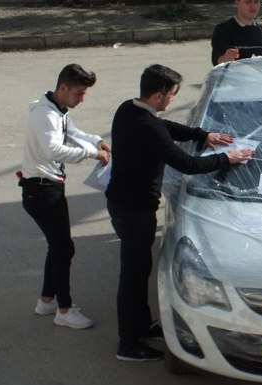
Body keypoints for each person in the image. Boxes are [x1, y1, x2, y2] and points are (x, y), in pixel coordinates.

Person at [106, 64, 254, 361]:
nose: (172, 99)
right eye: (172, 94)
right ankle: (128, 343)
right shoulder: (148, 127)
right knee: (133, 276)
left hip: (124, 203)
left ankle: (141, 325)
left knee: (140, 269)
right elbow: (188, 165)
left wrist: (203, 135)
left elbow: (167, 127)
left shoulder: (129, 110)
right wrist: (228, 157)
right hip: (134, 210)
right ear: (160, 95)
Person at [20, 63, 111, 330]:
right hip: (41, 190)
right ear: (62, 88)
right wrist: (93, 154)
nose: (81, 99)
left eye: (83, 94)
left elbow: (73, 132)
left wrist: (96, 141)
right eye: (79, 94)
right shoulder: (45, 115)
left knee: (58, 245)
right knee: (63, 247)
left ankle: (47, 301)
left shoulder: (58, 110)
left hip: (47, 188)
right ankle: (64, 309)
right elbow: (53, 151)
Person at [211, 0, 262, 66]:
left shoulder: (261, 30)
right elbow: (216, 60)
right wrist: (225, 59)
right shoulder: (223, 29)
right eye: (248, 2)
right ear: (237, 3)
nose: (253, 6)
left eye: (256, 2)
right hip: (232, 75)